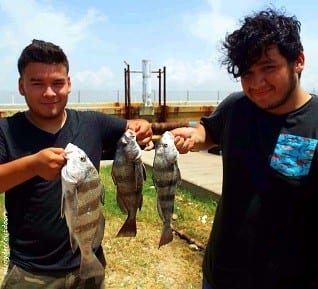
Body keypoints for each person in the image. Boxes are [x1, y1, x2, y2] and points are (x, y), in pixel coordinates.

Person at [172, 8, 318, 289]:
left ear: (298, 61)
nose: (256, 83)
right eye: (247, 73)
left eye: (268, 67)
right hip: (220, 275)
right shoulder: (237, 107)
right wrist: (194, 136)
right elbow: (209, 131)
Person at [0, 39, 153, 289]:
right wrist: (32, 165)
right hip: (32, 270)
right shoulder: (6, 130)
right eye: (37, 83)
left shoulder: (92, 123)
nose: (49, 92)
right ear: (21, 86)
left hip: (88, 261)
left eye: (57, 83)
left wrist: (142, 126)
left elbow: (132, 127)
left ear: (69, 84)